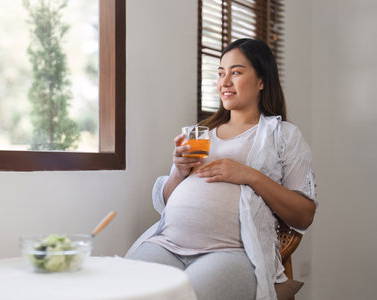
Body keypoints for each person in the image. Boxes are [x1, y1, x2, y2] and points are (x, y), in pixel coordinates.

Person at [125, 38, 317, 300]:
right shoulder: (200, 133)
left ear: (262, 80)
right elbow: (168, 202)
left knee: (185, 296)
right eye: (220, 73)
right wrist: (178, 173)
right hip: (168, 243)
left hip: (230, 250)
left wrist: (248, 175)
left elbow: (304, 214)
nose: (224, 82)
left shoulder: (283, 135)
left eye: (236, 72)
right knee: (125, 289)